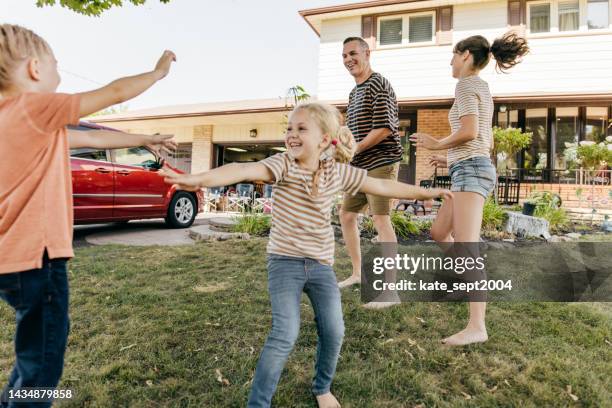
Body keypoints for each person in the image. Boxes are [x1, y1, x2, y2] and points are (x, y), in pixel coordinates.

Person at [161, 102, 451, 408]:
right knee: (285, 333)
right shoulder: (283, 164)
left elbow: (379, 184)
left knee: (335, 330)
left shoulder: (336, 173)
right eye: (289, 129)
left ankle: (322, 388)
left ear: (324, 139)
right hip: (284, 263)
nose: (292, 135)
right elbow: (242, 169)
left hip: (321, 266)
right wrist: (198, 179)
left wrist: (426, 193)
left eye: (301, 129)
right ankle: (258, 404)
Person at [0, 23, 176, 407]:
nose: (59, 72)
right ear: (34, 70)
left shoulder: (16, 122)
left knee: (31, 355)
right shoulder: (33, 107)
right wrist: (157, 73)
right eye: (55, 64)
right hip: (38, 260)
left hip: (9, 263)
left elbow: (93, 138)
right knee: (44, 366)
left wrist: (144, 140)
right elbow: (111, 93)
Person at [410, 32, 529, 346]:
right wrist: (446, 155)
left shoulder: (465, 85)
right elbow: (477, 138)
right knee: (438, 233)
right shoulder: (480, 86)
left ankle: (477, 325)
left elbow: (470, 131)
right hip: (468, 168)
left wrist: (438, 141)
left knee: (466, 248)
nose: (450, 60)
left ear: (465, 55)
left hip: (473, 170)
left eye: (453, 54)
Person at [337, 37, 404, 307]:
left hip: (381, 161)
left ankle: (391, 291)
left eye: (353, 53)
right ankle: (356, 273)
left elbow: (386, 128)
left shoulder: (380, 84)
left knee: (380, 218)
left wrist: (355, 149)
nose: (348, 59)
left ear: (367, 53)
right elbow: (352, 135)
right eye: (343, 56)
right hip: (359, 166)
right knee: (347, 215)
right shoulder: (354, 93)